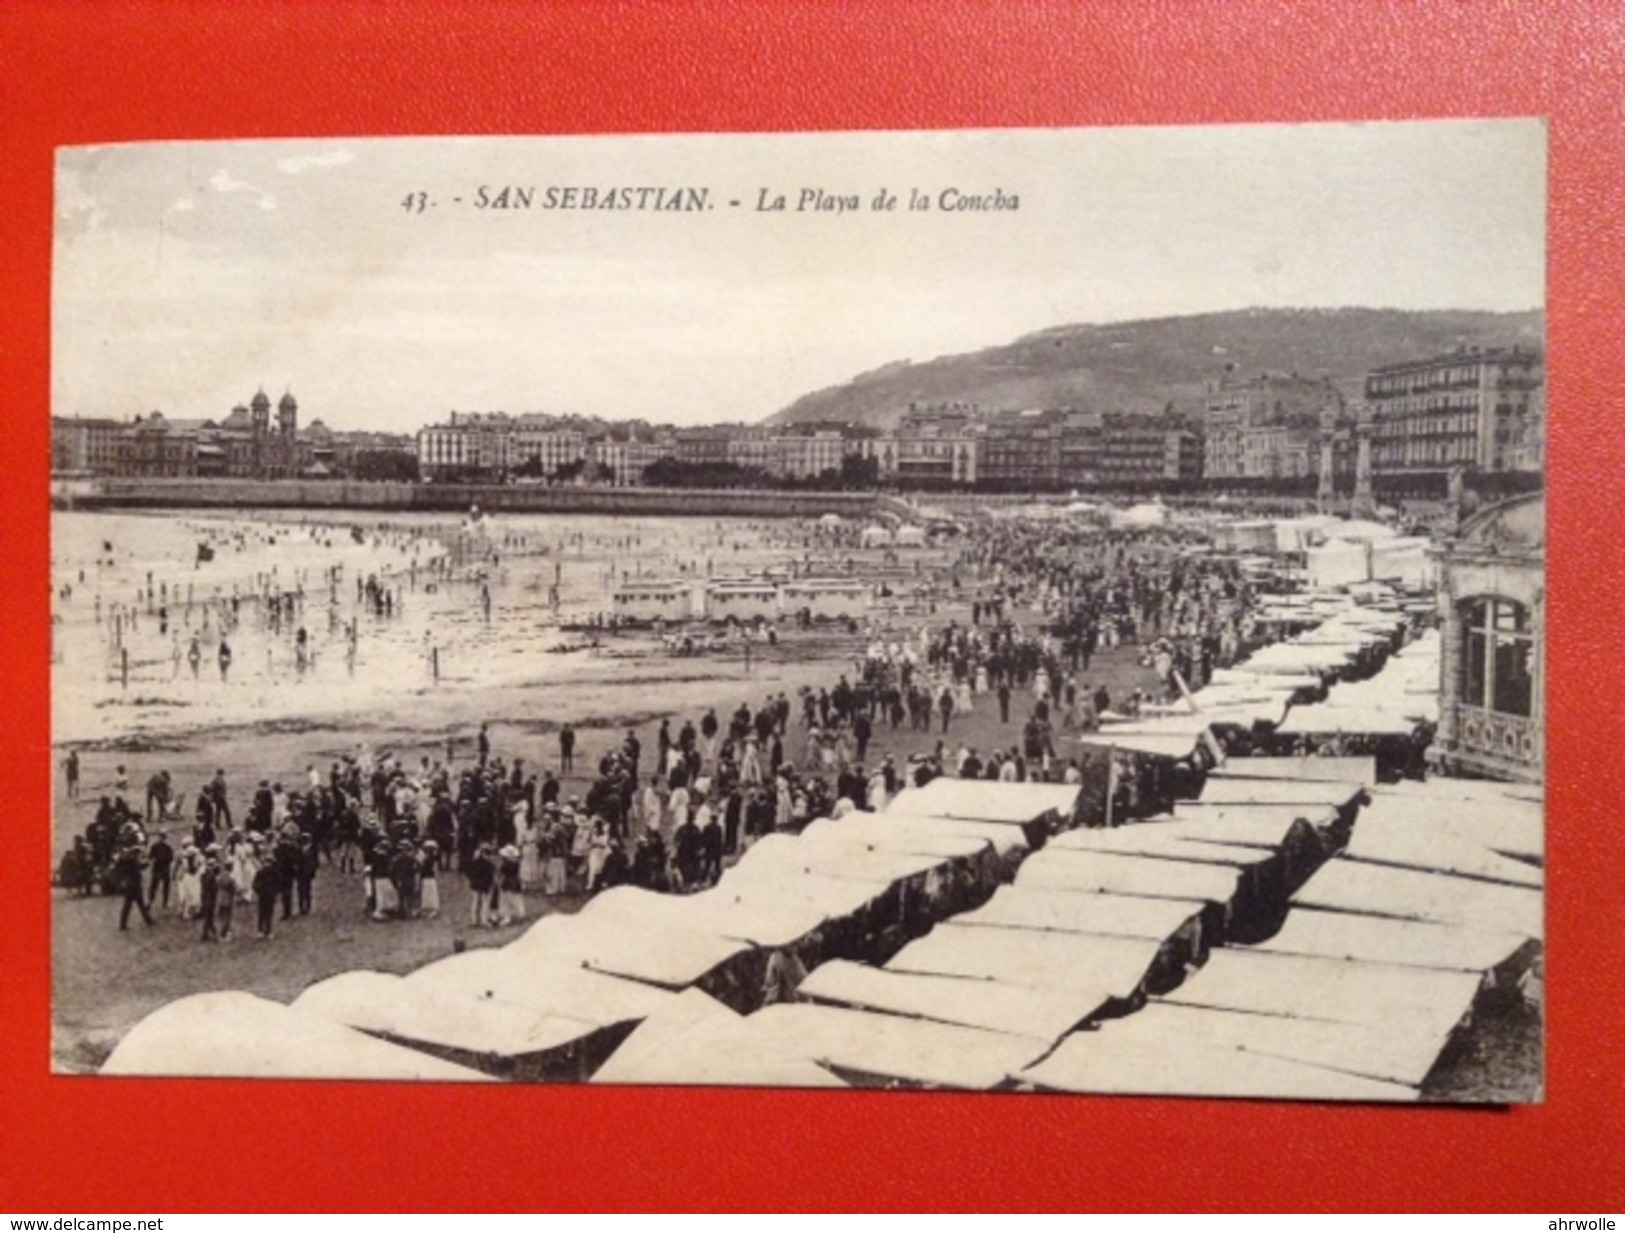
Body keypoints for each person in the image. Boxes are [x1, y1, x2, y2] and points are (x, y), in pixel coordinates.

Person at [147, 830, 174, 911]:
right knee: (166, 887)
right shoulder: (168, 847)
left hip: (157, 868)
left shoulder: (154, 845)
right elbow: (170, 859)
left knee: (153, 886)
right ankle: (165, 903)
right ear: (166, 837)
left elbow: (150, 856)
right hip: (165, 869)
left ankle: (150, 902)